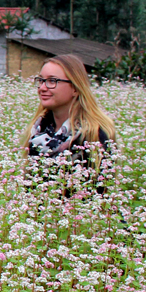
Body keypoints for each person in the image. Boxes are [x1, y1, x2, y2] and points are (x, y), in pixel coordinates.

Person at [22, 53, 116, 192]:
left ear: (75, 88)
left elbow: (101, 193)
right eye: (41, 80)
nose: (42, 87)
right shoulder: (37, 133)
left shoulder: (94, 135)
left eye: (52, 81)